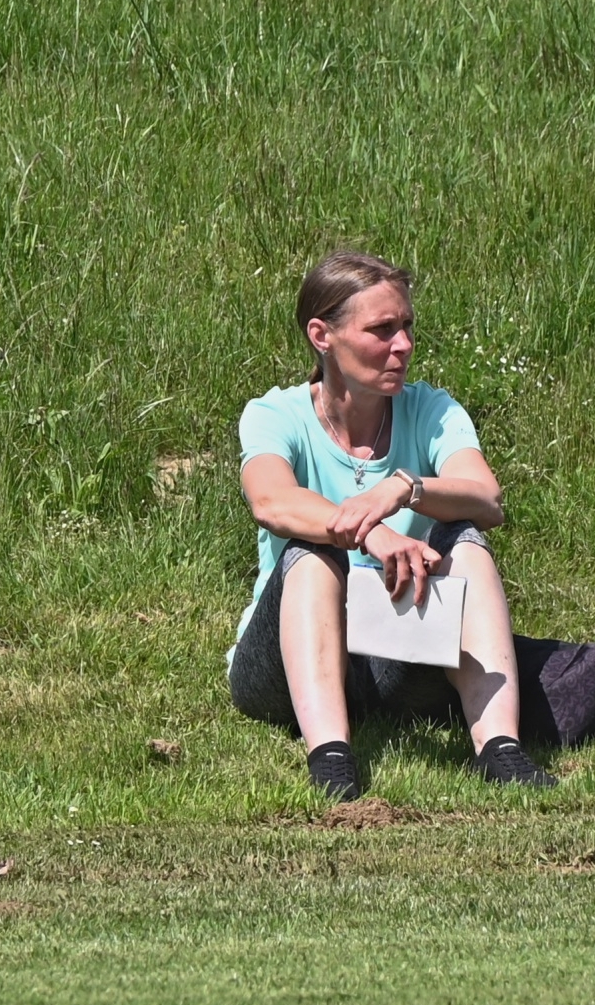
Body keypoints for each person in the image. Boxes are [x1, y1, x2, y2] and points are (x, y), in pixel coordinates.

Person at [229, 251, 555, 801]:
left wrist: (405, 488)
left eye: (406, 326)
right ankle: (331, 760)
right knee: (310, 552)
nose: (403, 344)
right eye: (382, 329)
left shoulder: (431, 409)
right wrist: (368, 531)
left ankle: (501, 748)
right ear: (321, 336)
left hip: (397, 648)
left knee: (467, 538)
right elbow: (271, 501)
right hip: (283, 666)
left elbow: (488, 498)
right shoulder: (276, 415)